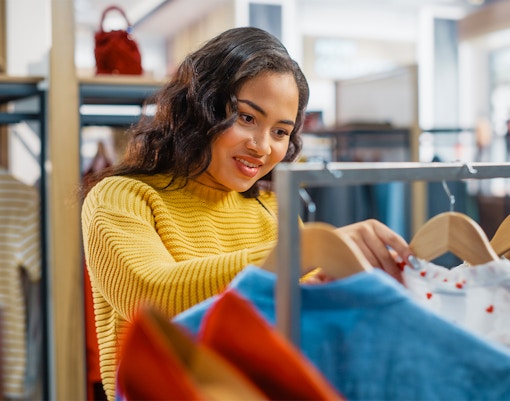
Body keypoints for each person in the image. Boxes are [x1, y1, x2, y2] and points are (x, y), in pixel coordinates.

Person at [81, 26, 412, 401]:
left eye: (280, 131)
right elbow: (151, 296)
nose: (262, 147)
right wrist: (303, 251)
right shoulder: (121, 196)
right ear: (200, 106)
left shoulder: (271, 209)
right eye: (247, 118)